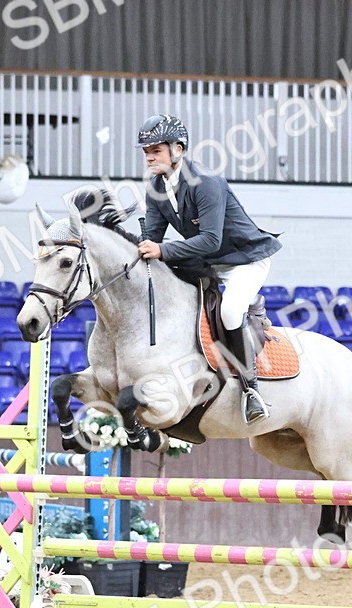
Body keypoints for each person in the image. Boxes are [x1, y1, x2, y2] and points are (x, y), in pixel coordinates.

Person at [135, 114, 281, 425]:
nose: (149, 157)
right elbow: (154, 238)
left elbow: (211, 240)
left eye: (156, 151)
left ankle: (251, 391)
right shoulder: (155, 187)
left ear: (179, 149)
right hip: (209, 260)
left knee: (229, 312)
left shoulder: (207, 183)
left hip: (245, 258)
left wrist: (161, 250)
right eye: (146, 152)